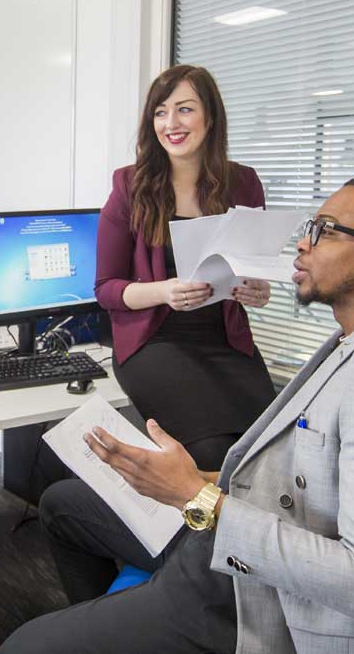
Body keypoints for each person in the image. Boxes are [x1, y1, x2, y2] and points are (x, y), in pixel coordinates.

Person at [1, 173, 354, 654]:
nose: (302, 243)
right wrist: (195, 478)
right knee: (62, 504)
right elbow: (309, 477)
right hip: (236, 542)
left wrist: (197, 497)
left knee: (22, 647)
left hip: (254, 600)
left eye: (324, 230)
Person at [96, 64, 277, 470]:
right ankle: (196, 532)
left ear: (210, 117)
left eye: (184, 110)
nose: (171, 123)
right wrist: (165, 290)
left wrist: (258, 290)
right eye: (160, 112)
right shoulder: (130, 186)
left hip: (224, 338)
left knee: (267, 449)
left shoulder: (244, 184)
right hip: (154, 339)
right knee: (212, 453)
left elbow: (252, 268)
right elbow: (106, 288)